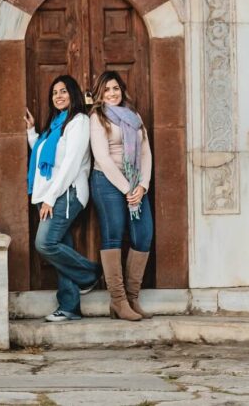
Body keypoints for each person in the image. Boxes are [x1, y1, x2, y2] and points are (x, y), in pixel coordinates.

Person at [25, 74, 101, 322]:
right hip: (50, 194)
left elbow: (69, 164)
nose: (58, 96)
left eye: (64, 91)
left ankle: (90, 275)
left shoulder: (78, 121)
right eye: (55, 92)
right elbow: (46, 153)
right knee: (61, 247)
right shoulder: (56, 124)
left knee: (45, 243)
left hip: (66, 193)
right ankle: (69, 306)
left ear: (73, 94)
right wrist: (31, 133)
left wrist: (51, 198)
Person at [89, 70, 153, 322]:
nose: (112, 93)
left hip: (136, 184)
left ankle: (132, 297)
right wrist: (127, 189)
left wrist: (143, 186)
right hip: (106, 182)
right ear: (100, 94)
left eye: (115, 88)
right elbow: (102, 158)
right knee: (113, 233)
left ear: (121, 90)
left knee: (144, 234)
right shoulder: (98, 117)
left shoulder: (134, 117)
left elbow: (146, 152)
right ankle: (118, 301)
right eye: (106, 90)